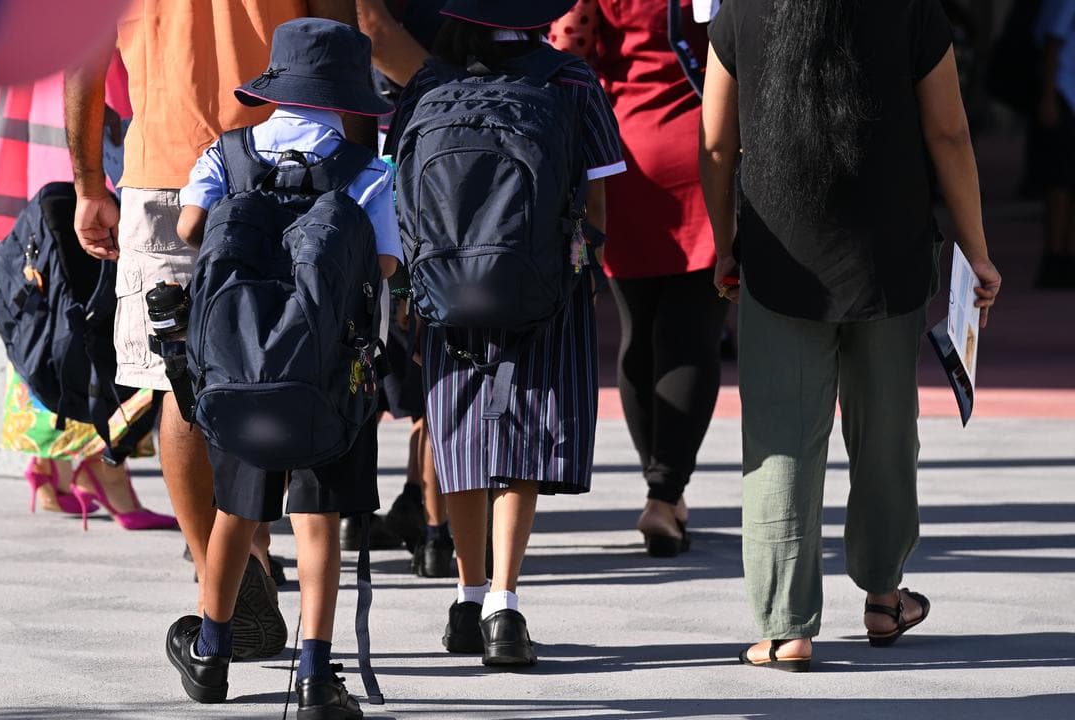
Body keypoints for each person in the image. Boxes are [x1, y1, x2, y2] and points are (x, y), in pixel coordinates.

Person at [700, 0, 1002, 670]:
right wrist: (976, 250)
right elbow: (948, 133)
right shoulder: (912, 9)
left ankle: (785, 628)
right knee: (887, 431)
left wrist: (726, 245)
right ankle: (885, 597)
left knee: (781, 438)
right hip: (888, 255)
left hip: (780, 258)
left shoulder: (739, 12)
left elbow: (718, 141)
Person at [65, 0, 362, 653]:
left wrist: (90, 182)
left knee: (179, 380)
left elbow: (82, 56)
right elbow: (342, 40)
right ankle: (249, 553)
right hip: (290, 165)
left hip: (163, 174)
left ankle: (217, 576)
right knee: (278, 356)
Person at [164, 19, 399, 717]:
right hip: (329, 374)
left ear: (278, 82)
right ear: (348, 93)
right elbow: (385, 265)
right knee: (317, 519)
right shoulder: (369, 171)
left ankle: (210, 654)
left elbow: (188, 230)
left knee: (235, 512)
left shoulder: (226, 151)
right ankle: (316, 676)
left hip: (240, 364)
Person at [385, 0, 624, 667]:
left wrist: (409, 289)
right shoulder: (569, 79)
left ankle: (466, 596)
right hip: (544, 283)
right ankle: (505, 608)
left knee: (460, 434)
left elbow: (398, 191)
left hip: (443, 287)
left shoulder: (427, 84)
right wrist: (579, 268)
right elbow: (598, 199)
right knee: (525, 437)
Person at [551, 0, 725, 557]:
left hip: (623, 155)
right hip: (706, 149)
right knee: (692, 334)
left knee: (638, 329)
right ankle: (664, 493)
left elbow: (564, 47)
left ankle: (662, 494)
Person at [0, 62, 175, 530]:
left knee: (45, 290)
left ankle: (52, 472)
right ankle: (102, 466)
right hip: (91, 94)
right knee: (88, 293)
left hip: (51, 86)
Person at [357, 0, 456, 578]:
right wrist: (454, 93)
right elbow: (369, 22)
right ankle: (434, 532)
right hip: (406, 145)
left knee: (359, 350)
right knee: (432, 362)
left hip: (366, 138)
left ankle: (362, 510)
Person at [1036, 0, 1075, 287]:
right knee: (1060, 182)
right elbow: (1051, 38)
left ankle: (1068, 255)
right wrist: (1048, 95)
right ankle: (1054, 253)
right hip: (1066, 92)